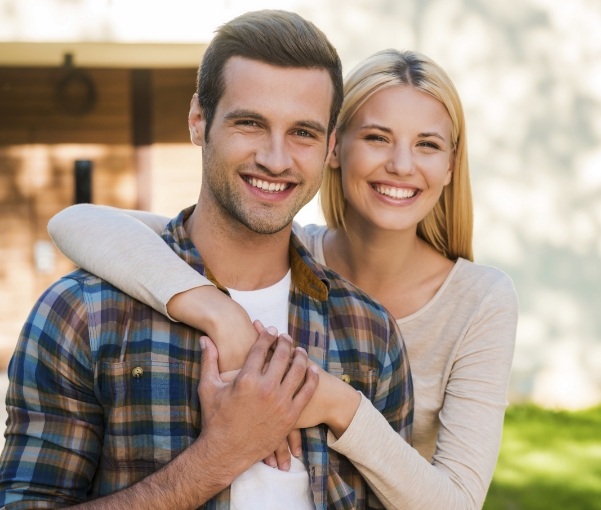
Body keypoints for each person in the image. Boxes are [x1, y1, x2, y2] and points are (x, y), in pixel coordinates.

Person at [47, 47, 519, 510]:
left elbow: (458, 502)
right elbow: (79, 223)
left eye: (427, 144)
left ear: (452, 164)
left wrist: (337, 404)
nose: (400, 164)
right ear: (336, 149)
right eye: (376, 137)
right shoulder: (290, 253)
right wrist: (223, 316)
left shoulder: (480, 299)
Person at [0, 11, 414, 510]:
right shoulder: (84, 314)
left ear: (329, 147)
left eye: (302, 133)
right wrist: (219, 457)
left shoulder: (368, 332)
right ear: (199, 120)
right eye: (249, 123)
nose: (276, 159)